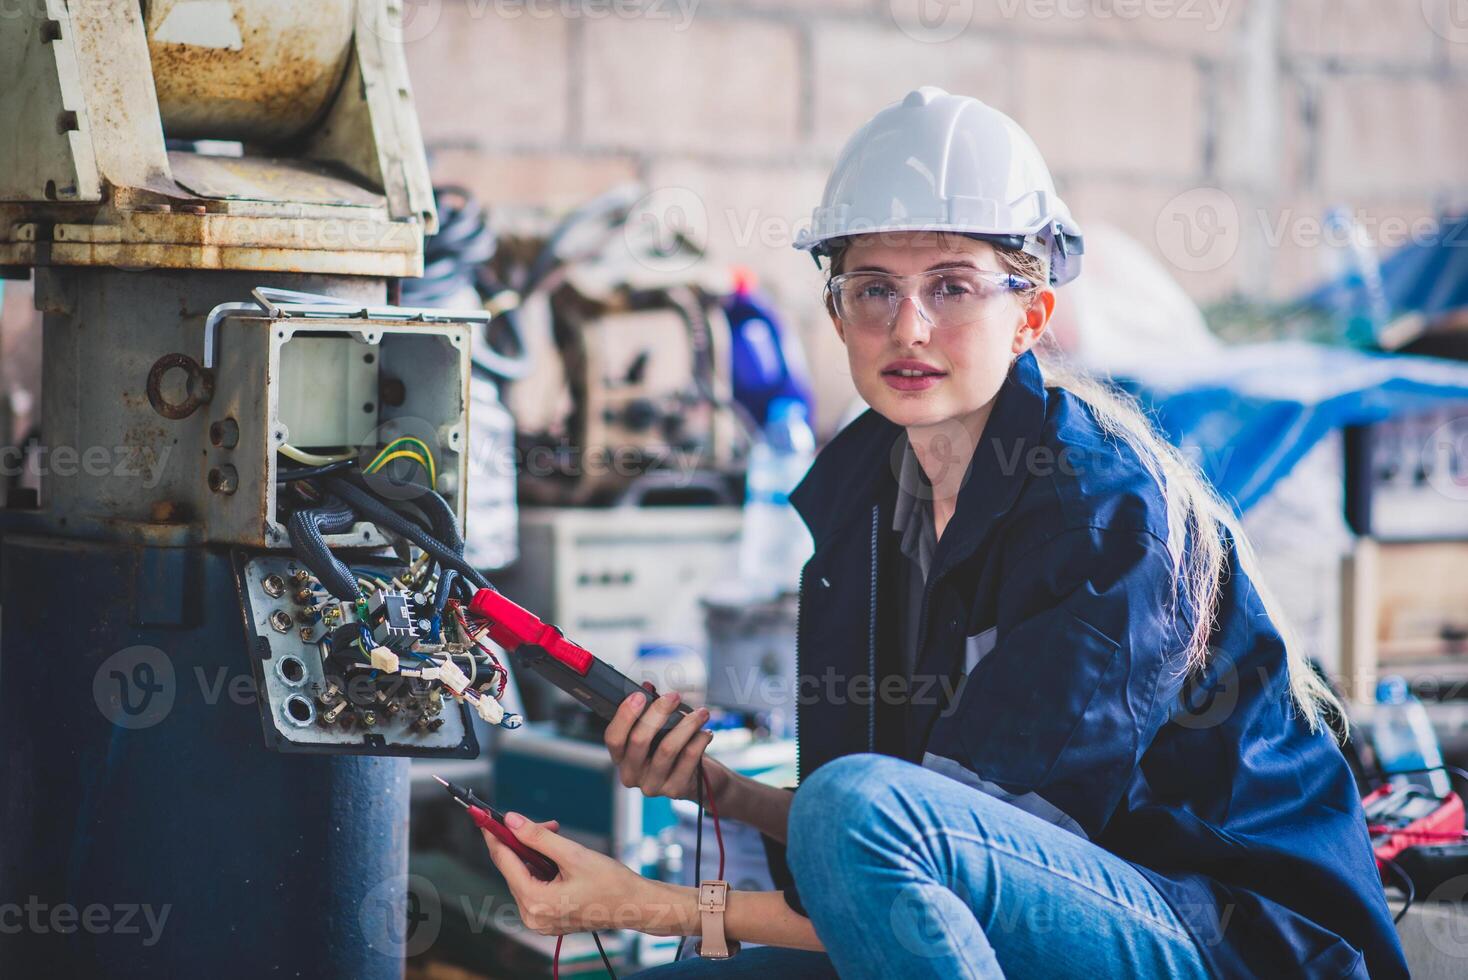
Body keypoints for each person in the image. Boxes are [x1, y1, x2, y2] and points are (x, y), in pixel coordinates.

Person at [479, 87, 1409, 979]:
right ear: (836, 311)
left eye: (954, 287)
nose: (908, 327)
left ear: (1031, 317)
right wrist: (718, 792)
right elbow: (895, 848)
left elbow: (932, 846)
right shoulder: (863, 508)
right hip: (1054, 917)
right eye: (873, 289)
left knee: (852, 804)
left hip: (1233, 943)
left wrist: (649, 905)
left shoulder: (1102, 510)